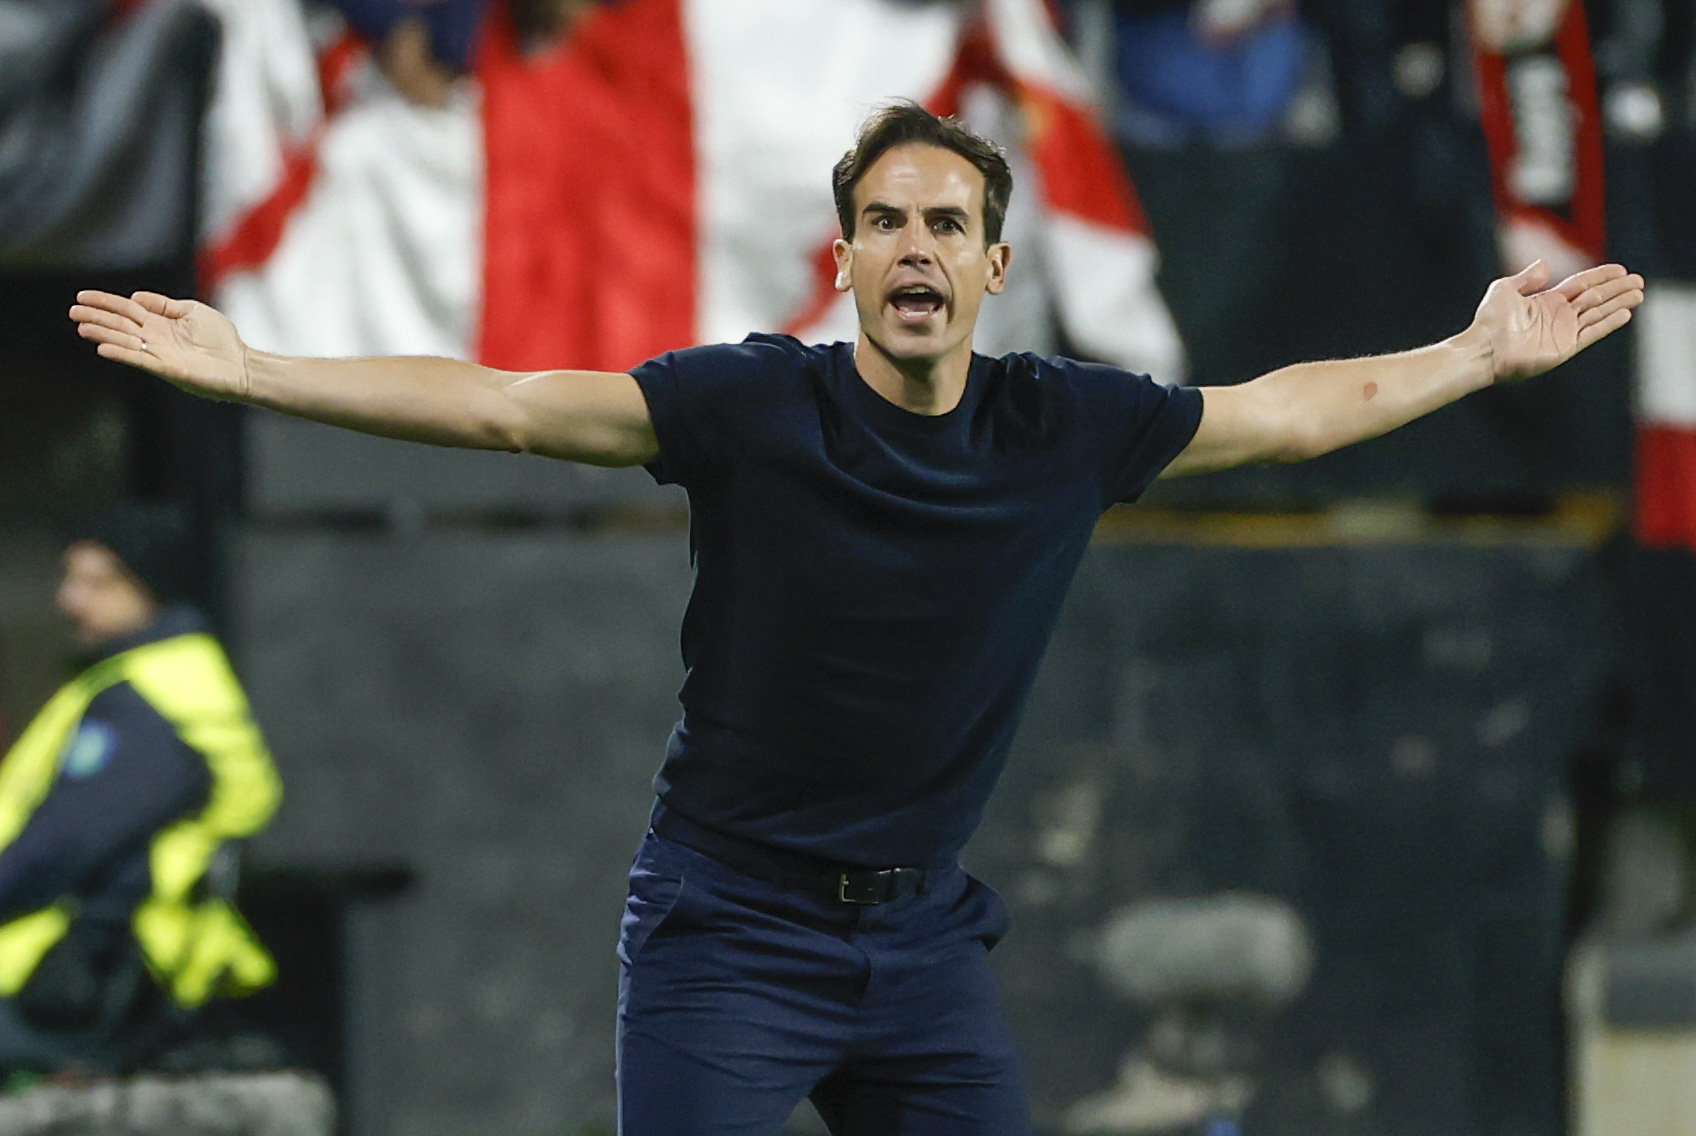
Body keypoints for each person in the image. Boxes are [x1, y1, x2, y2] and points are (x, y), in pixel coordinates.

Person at [69, 101, 1642, 1134]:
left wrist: (1474, 358)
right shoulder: (758, 404)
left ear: (992, 266)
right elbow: (498, 407)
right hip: (727, 927)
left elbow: (1287, 417)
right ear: (845, 259)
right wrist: (258, 368)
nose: (914, 248)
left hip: (921, 941)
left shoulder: (1061, 426)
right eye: (885, 222)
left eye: (945, 225)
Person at [0, 506, 282, 1075]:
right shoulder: (150, 679)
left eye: (98, 582)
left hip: (83, 976)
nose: (70, 600)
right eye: (69, 578)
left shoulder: (150, 701)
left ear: (150, 587)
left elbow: (61, 847)